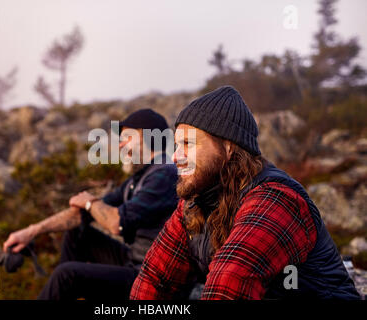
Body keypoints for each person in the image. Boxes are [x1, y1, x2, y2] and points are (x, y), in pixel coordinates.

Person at [130, 86, 360, 300]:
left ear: (228, 147)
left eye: (189, 143)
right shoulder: (195, 202)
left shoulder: (276, 200)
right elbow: (154, 280)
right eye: (177, 145)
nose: (175, 156)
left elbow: (229, 283)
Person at [3, 108, 178, 300]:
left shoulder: (165, 174)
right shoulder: (139, 178)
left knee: (66, 275)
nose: (120, 145)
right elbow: (83, 214)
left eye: (127, 137)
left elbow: (117, 223)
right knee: (78, 233)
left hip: (154, 280)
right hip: (135, 262)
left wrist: (89, 201)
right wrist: (31, 232)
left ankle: (63, 290)